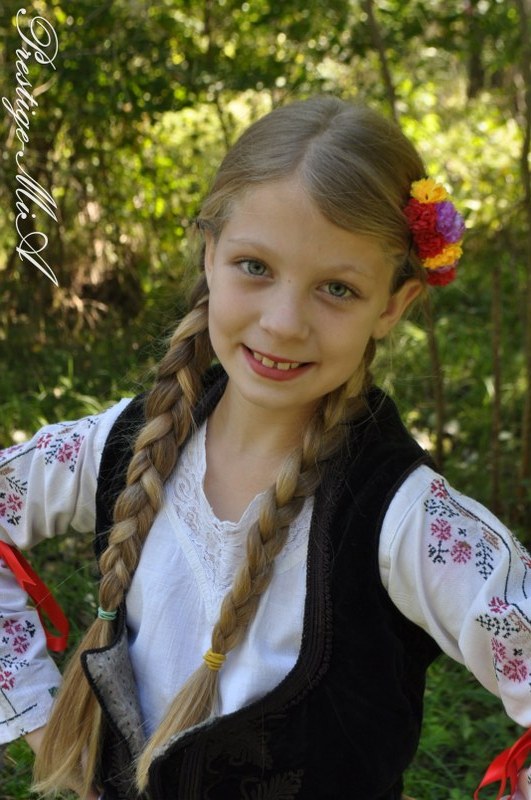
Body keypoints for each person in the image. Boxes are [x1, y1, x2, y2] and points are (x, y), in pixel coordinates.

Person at [0, 95, 529, 800]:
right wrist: (39, 718)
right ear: (209, 253)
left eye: (336, 288)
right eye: (254, 266)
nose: (283, 323)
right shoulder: (121, 446)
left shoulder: (409, 522)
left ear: (392, 304)